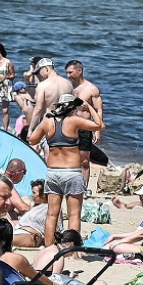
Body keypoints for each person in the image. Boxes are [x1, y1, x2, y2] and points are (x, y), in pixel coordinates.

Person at [30, 94, 99, 242]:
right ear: (72, 108)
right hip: (71, 173)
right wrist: (90, 107)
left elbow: (32, 140)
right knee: (73, 215)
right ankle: (72, 249)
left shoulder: (48, 121)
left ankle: (49, 249)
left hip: (53, 172)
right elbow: (99, 125)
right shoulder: (73, 121)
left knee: (51, 215)